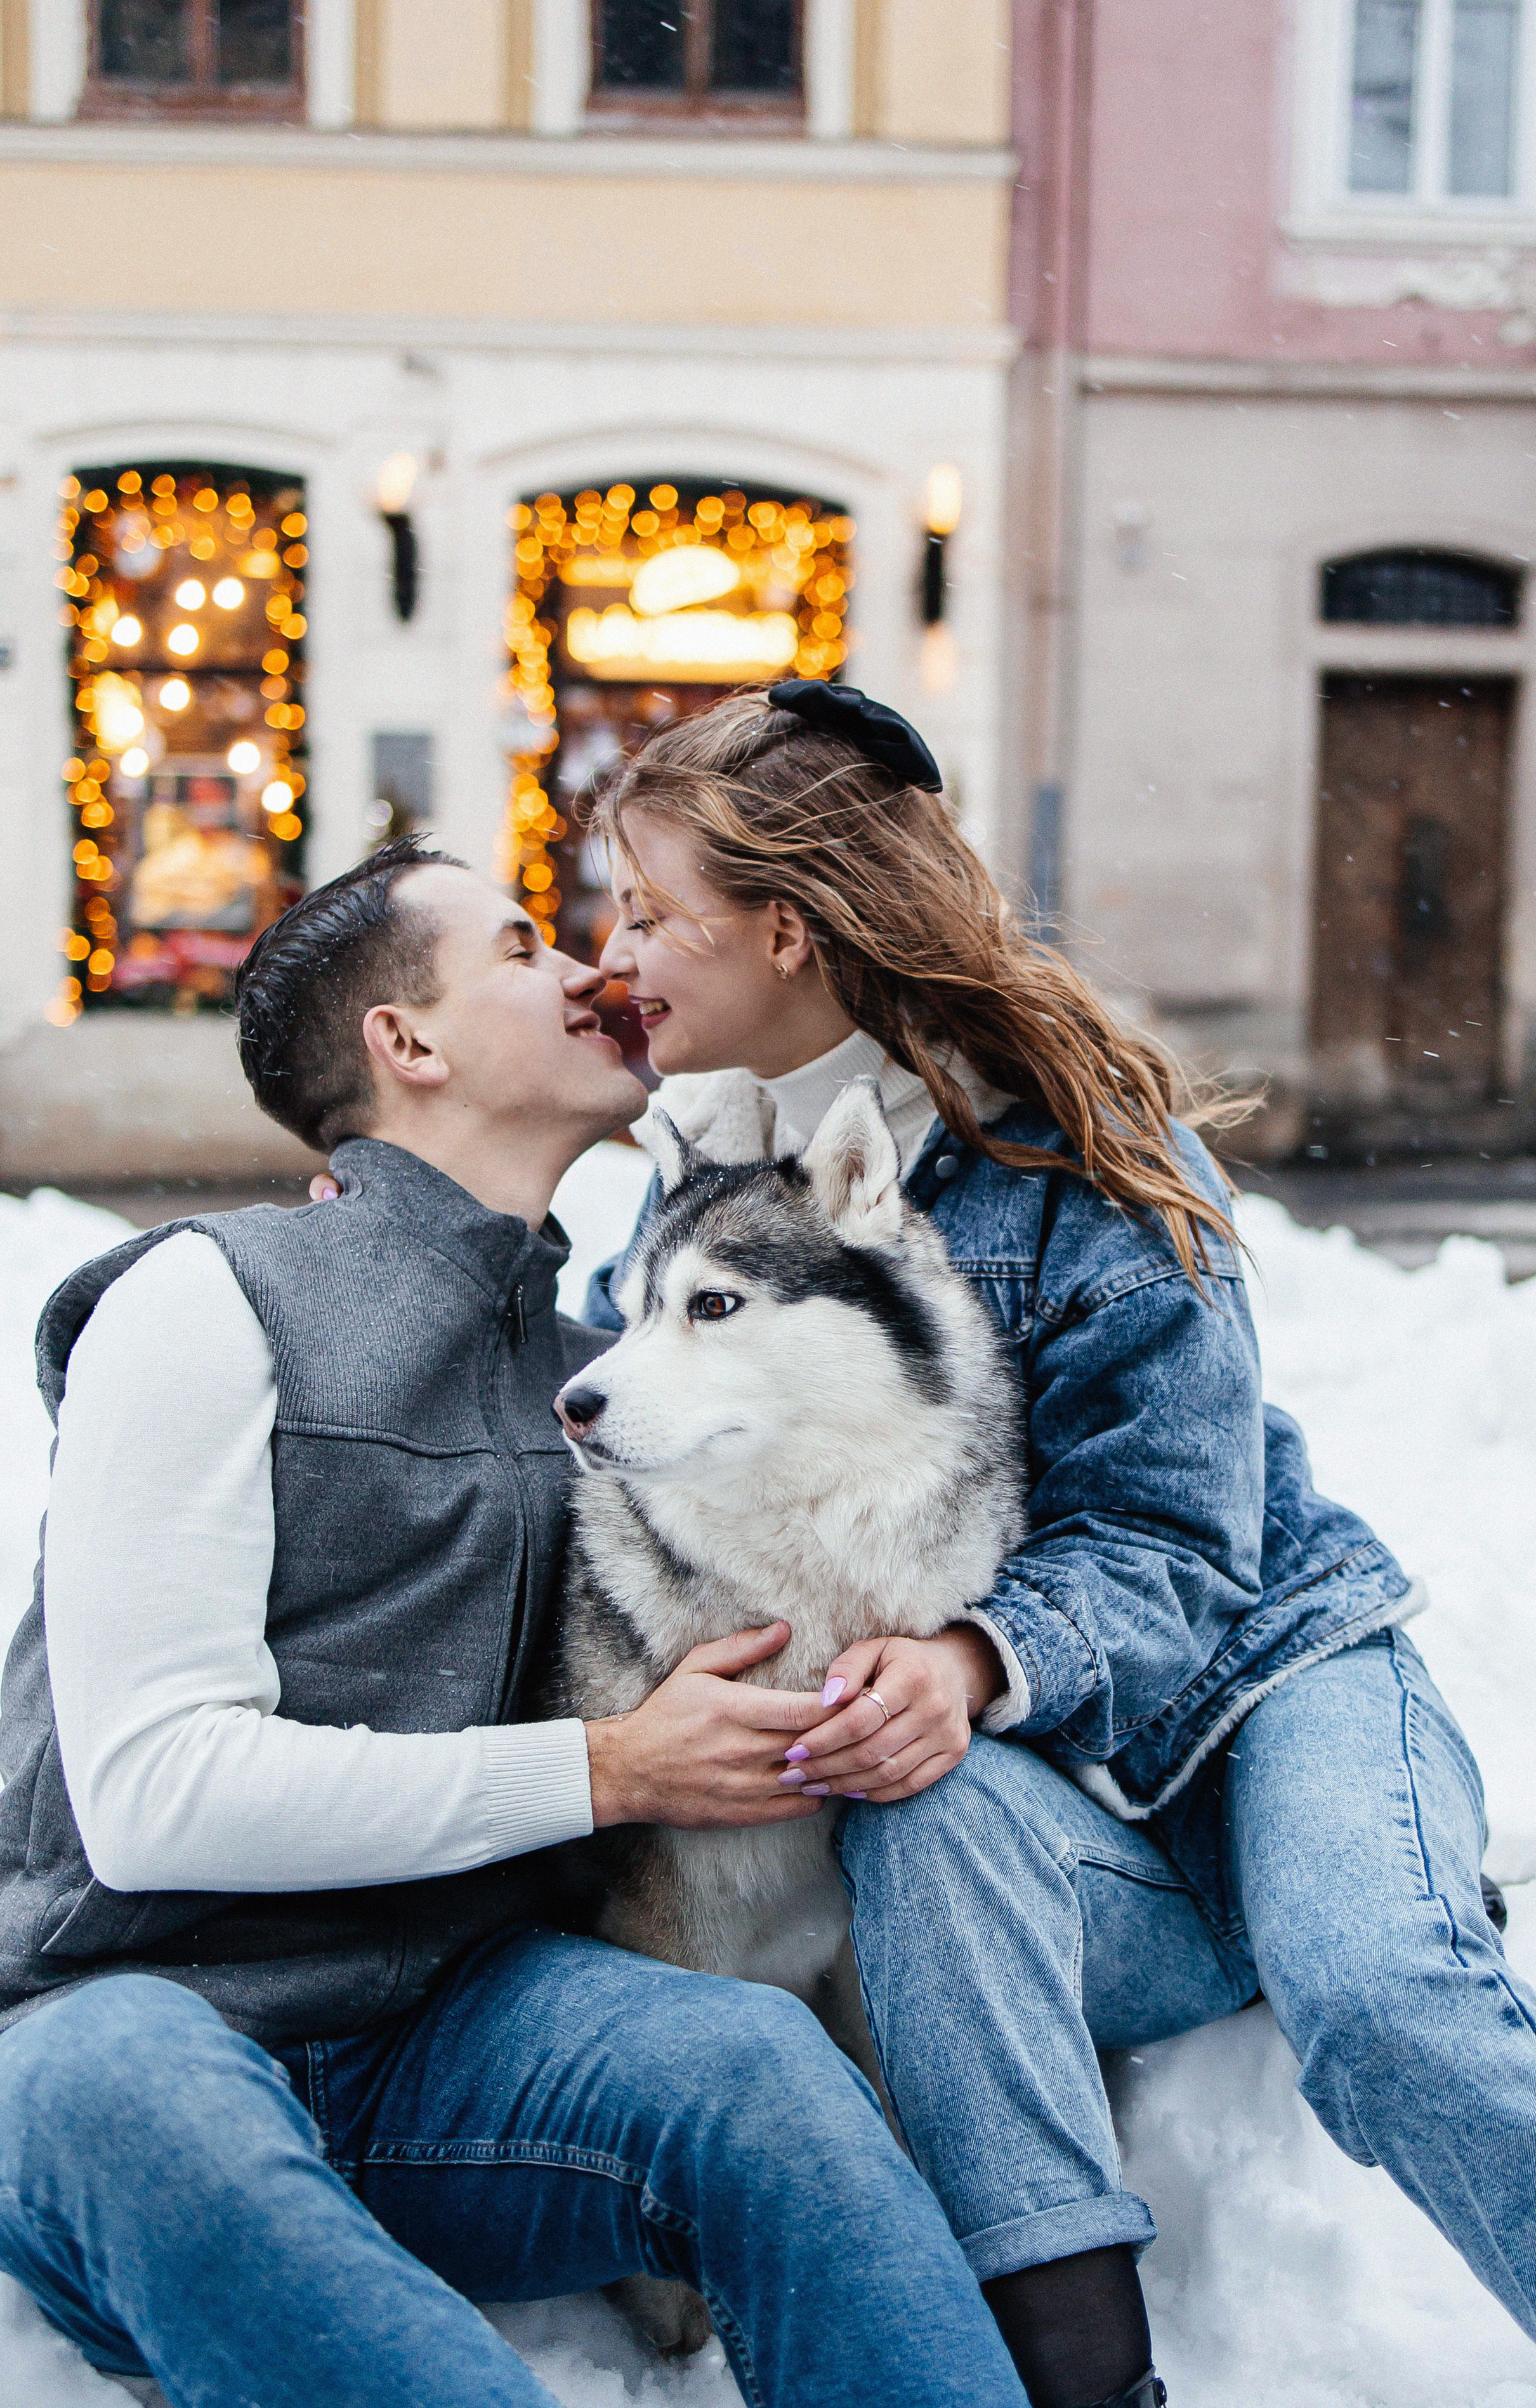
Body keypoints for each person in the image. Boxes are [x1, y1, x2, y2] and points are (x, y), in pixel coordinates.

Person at [0, 837, 1027, 2408]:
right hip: (105, 2037)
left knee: (759, 2071)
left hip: (442, 2046)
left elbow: (912, 1442)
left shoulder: (603, 1378)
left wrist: (949, 1663)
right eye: (519, 944)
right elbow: (152, 1791)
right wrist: (608, 1768)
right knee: (141, 2088)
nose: (588, 965)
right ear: (407, 1042)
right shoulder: (206, 1298)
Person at [575, 681, 1536, 2408]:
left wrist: (971, 1652)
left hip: (1259, 1691)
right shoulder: (704, 1171)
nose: (614, 946)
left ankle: (1365, 1887)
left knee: (1378, 1989)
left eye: (647, 909)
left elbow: (1184, 1536)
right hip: (1031, 1815)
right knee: (918, 1806)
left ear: (786, 930)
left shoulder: (1073, 1152)